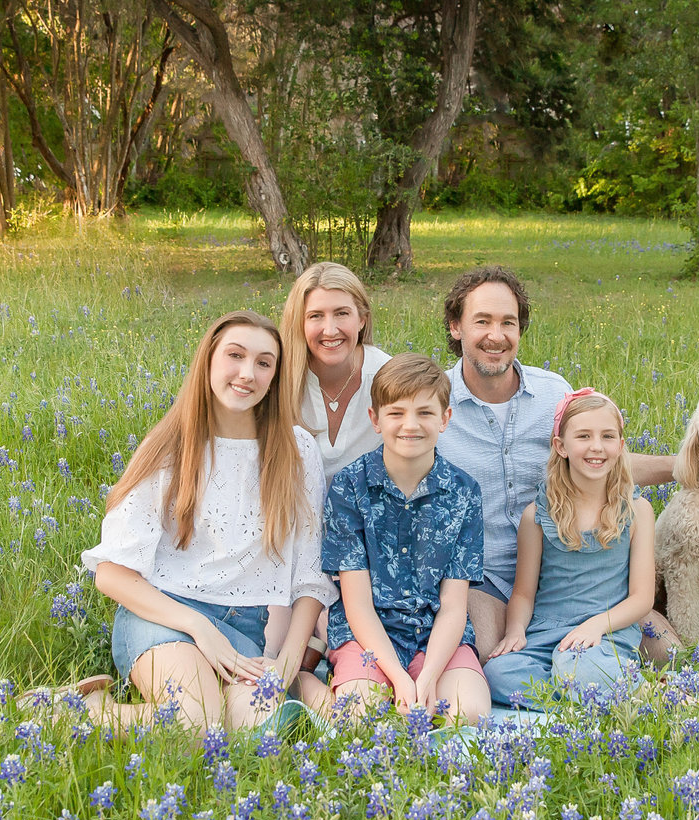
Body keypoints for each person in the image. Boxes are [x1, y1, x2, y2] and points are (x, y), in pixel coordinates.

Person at [79, 310, 337, 731]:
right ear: (209, 361)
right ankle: (70, 711)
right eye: (235, 355)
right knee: (195, 725)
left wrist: (284, 668)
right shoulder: (170, 447)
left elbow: (310, 580)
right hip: (163, 616)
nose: (247, 373)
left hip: (246, 629)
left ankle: (106, 714)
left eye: (263, 363)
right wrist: (198, 627)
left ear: (275, 375)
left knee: (253, 729)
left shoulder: (297, 450)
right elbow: (111, 575)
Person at [434, 266, 681, 663]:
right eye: (482, 321)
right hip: (487, 582)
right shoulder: (434, 405)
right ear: (455, 326)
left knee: (669, 653)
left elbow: (598, 463)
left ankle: (589, 665)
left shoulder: (553, 393)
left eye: (508, 322)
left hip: (575, 574)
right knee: (483, 653)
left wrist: (682, 466)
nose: (496, 336)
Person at [320, 353, 491, 723]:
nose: (410, 425)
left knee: (470, 713)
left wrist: (427, 677)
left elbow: (453, 605)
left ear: (445, 419)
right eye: (396, 413)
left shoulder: (464, 492)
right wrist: (399, 679)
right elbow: (358, 605)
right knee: (360, 717)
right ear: (375, 419)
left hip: (436, 633)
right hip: (366, 634)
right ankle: (317, 683)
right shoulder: (350, 486)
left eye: (425, 413)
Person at [484, 389, 657, 706]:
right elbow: (523, 593)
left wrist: (596, 626)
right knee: (498, 673)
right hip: (547, 631)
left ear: (620, 446)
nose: (596, 447)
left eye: (607, 436)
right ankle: (592, 695)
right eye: (584, 436)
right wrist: (515, 631)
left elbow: (642, 598)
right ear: (560, 446)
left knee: (576, 669)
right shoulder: (537, 514)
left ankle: (600, 688)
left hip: (607, 634)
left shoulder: (637, 511)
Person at [271, 263, 393, 667]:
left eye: (341, 313)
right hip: (292, 536)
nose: (330, 328)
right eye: (315, 316)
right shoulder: (280, 380)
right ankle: (312, 637)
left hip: (368, 539)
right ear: (298, 322)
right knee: (269, 648)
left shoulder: (386, 376)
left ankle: (323, 638)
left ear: (362, 317)